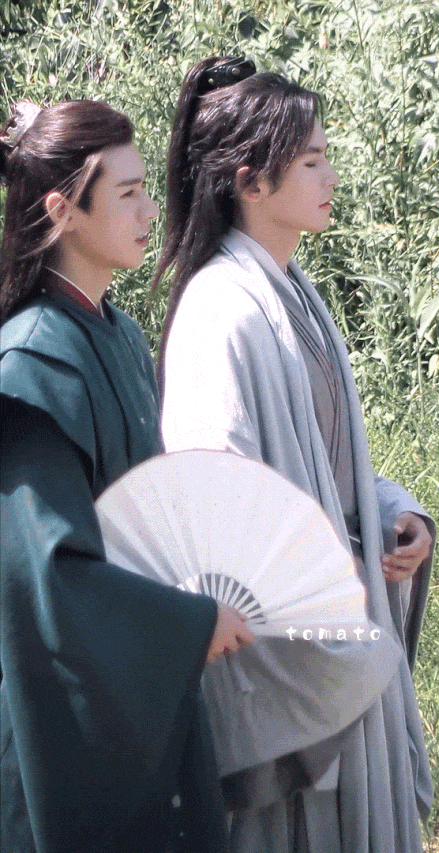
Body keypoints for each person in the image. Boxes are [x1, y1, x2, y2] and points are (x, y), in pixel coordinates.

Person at [156, 57, 436, 853]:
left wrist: (395, 514)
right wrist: (321, 588)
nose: (330, 176)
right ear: (251, 181)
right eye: (312, 161)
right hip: (293, 649)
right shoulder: (221, 311)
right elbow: (215, 506)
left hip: (343, 618)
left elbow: (329, 463)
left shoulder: (295, 294)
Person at [0, 98, 254, 853]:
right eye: (129, 193)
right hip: (70, 717)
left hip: (141, 686)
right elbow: (48, 578)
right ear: (63, 212)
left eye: (148, 188)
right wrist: (190, 623)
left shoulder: (119, 334)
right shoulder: (30, 365)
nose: (151, 211)